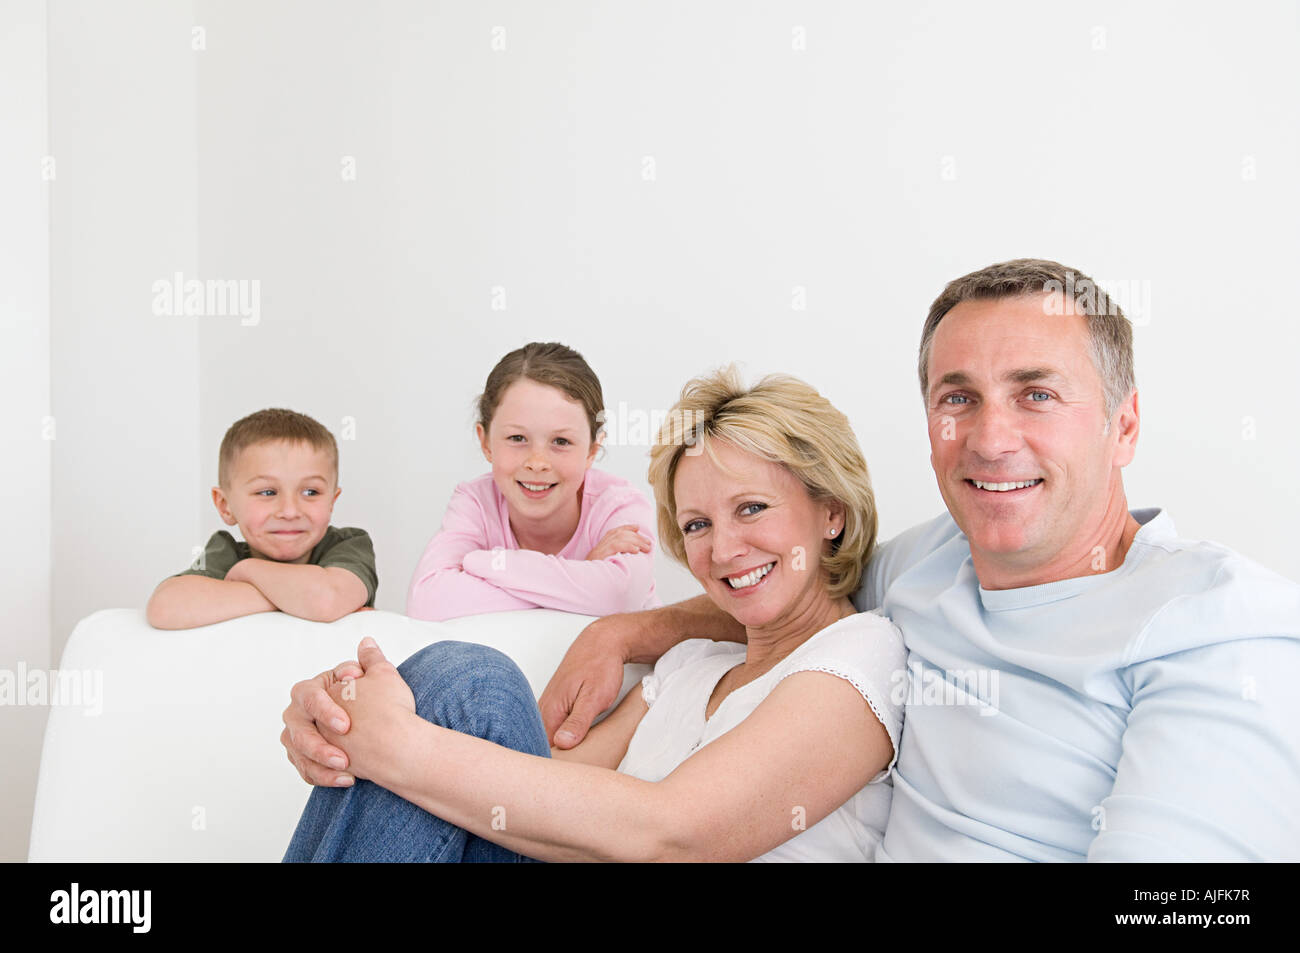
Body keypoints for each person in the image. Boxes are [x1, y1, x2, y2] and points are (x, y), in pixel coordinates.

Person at [536, 259, 1300, 861]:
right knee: (461, 689)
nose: (991, 438)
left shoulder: (1220, 621)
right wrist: (628, 634)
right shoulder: (927, 565)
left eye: (1035, 393)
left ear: (1123, 424)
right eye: (958, 397)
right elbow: (791, 582)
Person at [281, 370, 907, 862]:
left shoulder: (861, 655)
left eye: (751, 508)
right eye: (697, 524)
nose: (722, 549)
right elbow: (546, 787)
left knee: (464, 683)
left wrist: (391, 744)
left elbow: (674, 836)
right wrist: (353, 719)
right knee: (464, 687)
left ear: (832, 513)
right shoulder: (692, 665)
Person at [405, 342, 658, 621]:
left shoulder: (618, 506)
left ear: (591, 451)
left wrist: (480, 563)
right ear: (486, 442)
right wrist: (583, 574)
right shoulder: (476, 502)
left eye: (561, 441)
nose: (537, 462)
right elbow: (427, 600)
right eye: (517, 438)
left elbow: (619, 596)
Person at [146, 408, 377, 629]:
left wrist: (246, 571)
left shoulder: (348, 544)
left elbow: (326, 600)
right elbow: (165, 607)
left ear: (332, 502)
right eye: (267, 492)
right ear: (225, 506)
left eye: (310, 492)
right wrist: (293, 600)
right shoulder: (226, 551)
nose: (289, 511)